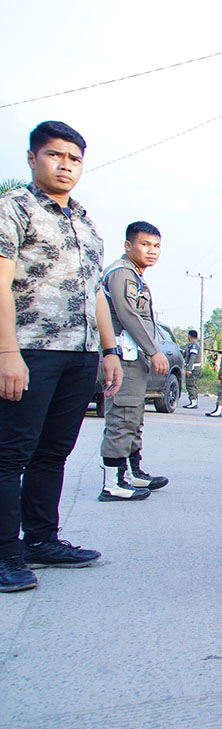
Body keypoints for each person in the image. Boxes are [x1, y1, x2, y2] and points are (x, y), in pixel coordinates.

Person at [0, 120, 123, 592]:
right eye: (55, 155)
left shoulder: (86, 222)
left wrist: (108, 350)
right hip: (29, 348)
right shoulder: (15, 209)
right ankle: (6, 552)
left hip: (79, 354)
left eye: (73, 158)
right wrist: (7, 351)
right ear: (33, 159)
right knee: (12, 454)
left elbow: (95, 293)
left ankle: (41, 540)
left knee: (54, 452)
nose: (65, 165)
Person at [98, 221, 170, 500]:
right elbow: (128, 315)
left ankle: (131, 474)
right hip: (122, 358)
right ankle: (112, 484)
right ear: (128, 246)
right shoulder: (122, 274)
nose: (152, 251)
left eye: (156, 246)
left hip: (132, 358)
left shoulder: (135, 275)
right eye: (145, 245)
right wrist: (154, 350)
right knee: (122, 416)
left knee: (133, 417)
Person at [182, 329, 201, 408]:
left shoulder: (194, 345)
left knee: (190, 385)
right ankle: (194, 401)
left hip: (193, 368)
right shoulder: (193, 345)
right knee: (194, 384)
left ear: (189, 336)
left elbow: (192, 358)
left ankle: (193, 401)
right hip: (196, 367)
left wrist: (189, 369)